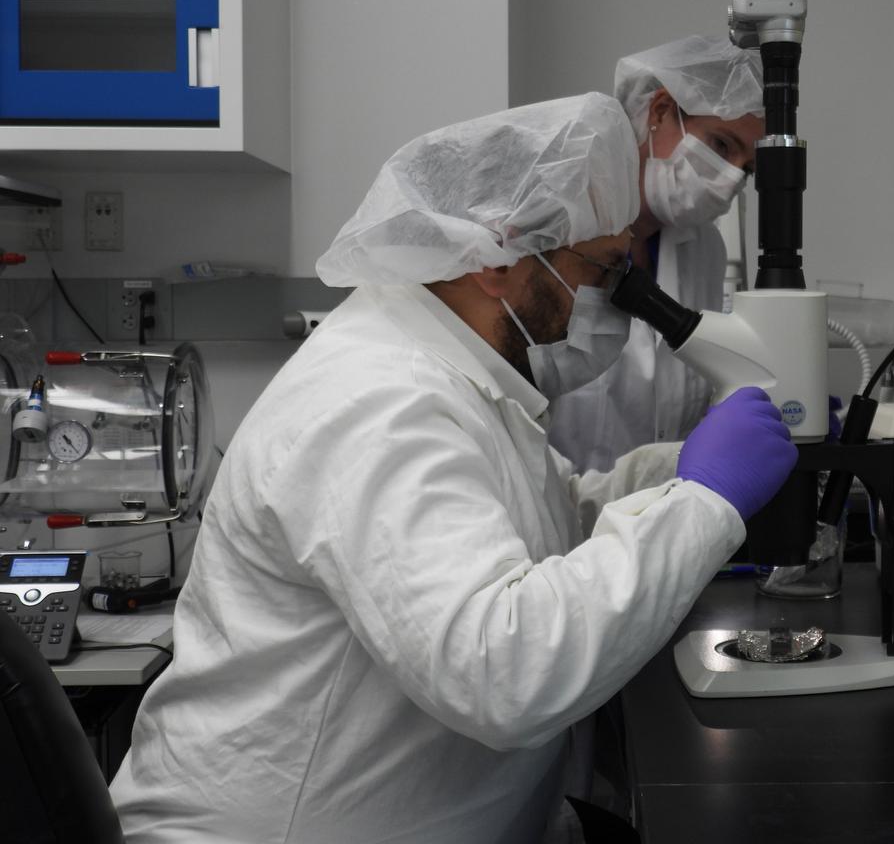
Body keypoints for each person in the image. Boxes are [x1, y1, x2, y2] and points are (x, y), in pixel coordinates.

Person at [109, 93, 797, 844]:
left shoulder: (453, 376)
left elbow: (549, 528)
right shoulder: (378, 402)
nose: (609, 303)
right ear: (498, 259)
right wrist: (701, 501)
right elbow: (504, 669)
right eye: (600, 271)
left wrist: (680, 471)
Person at [548, 35, 766, 472]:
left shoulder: (704, 248)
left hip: (663, 520)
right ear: (660, 111)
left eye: (746, 167)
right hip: (557, 524)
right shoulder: (558, 227)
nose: (730, 180)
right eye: (722, 146)